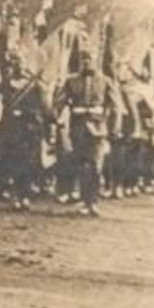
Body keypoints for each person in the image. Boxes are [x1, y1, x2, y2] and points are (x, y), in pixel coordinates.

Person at [54, 41, 124, 217]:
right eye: (83, 59)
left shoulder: (105, 81)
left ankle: (92, 202)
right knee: (81, 165)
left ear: (96, 60)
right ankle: (85, 202)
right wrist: (56, 119)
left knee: (95, 166)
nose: (86, 62)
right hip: (78, 129)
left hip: (98, 128)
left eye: (90, 59)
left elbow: (116, 106)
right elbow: (59, 103)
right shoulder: (71, 81)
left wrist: (115, 127)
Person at [0, 48, 54, 210]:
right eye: (14, 61)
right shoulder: (6, 83)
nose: (18, 65)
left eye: (20, 61)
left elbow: (46, 108)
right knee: (13, 161)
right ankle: (15, 195)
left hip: (29, 129)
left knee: (28, 163)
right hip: (11, 128)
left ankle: (25, 195)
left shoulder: (34, 85)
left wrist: (49, 122)